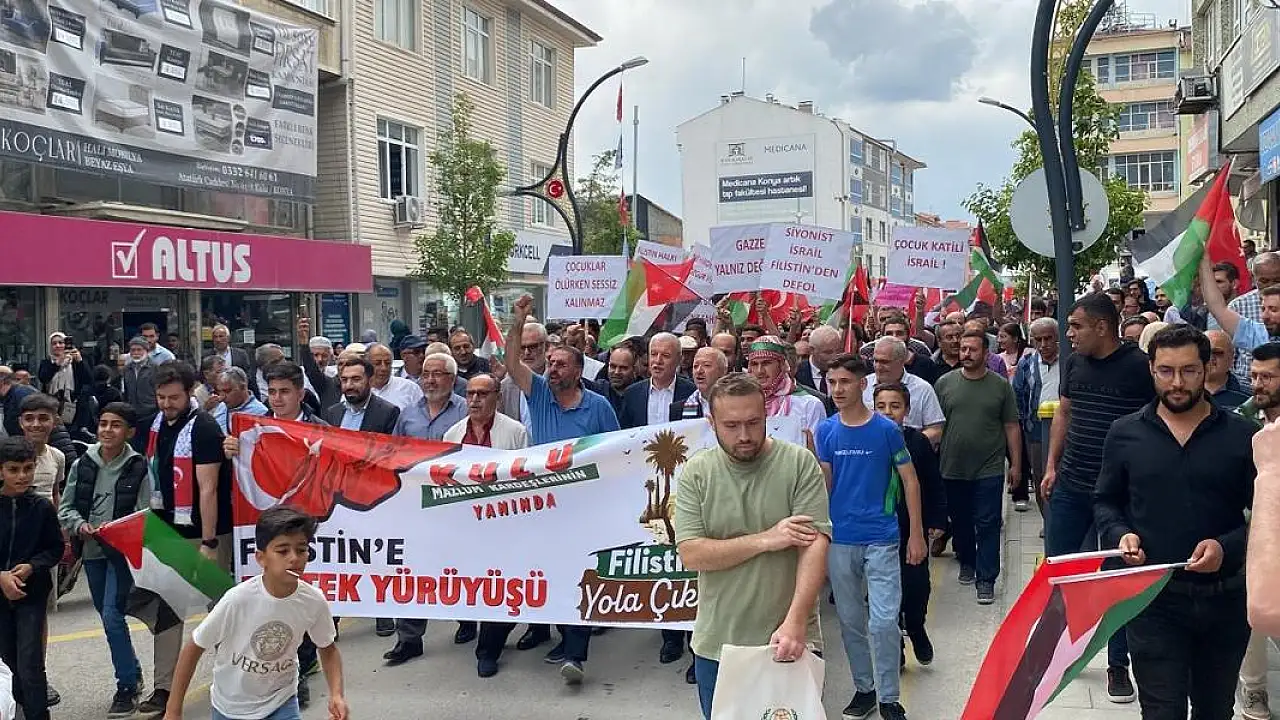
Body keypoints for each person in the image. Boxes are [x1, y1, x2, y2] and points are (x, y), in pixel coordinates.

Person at [1094, 325, 1257, 720]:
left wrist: (1226, 546)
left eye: (1189, 370)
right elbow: (1105, 502)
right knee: (1161, 711)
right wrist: (1120, 534)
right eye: (1166, 371)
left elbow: (1267, 519)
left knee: (1214, 710)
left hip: (1225, 602)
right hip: (1153, 600)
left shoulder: (1243, 436)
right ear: (1151, 369)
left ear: (1208, 368)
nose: (1177, 383)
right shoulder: (1124, 433)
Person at [675, 373, 830, 720]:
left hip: (788, 639)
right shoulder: (697, 473)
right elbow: (692, 553)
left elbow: (815, 545)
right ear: (712, 422)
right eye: (731, 425)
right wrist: (767, 539)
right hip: (718, 646)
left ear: (766, 416)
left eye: (753, 422)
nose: (744, 435)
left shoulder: (799, 463)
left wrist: (796, 621)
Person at [1041, 292, 1152, 702]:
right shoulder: (1074, 364)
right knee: (1061, 574)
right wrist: (1051, 466)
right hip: (1071, 486)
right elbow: (1065, 413)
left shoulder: (1140, 367)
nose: (1069, 334)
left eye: (1076, 326)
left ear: (1102, 327)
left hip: (1120, 497)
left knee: (1114, 579)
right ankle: (1059, 656)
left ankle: (1117, 664)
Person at [504, 295, 619, 685]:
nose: (551, 369)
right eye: (550, 363)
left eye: (560, 364)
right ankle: (559, 635)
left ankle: (575, 654)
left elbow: (616, 453)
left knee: (580, 575)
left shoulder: (599, 407)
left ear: (578, 370)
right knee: (551, 574)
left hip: (584, 510)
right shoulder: (538, 394)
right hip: (544, 506)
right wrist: (518, 321)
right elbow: (511, 363)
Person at [162, 505, 348, 720]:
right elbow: (194, 647)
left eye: (301, 550)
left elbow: (328, 648)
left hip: (281, 700)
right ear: (261, 558)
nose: (294, 558)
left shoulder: (313, 601)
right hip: (230, 707)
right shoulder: (238, 599)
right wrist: (173, 710)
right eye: (282, 551)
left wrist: (336, 694)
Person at [819, 355, 925, 720]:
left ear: (862, 384)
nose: (837, 389)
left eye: (845, 382)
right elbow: (824, 484)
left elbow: (910, 480)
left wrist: (916, 534)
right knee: (850, 621)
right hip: (840, 539)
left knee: (882, 621)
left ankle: (889, 698)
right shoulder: (825, 430)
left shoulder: (886, 430)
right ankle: (865, 689)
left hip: (882, 537)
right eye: (832, 382)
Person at [141, 361, 232, 716]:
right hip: (167, 531)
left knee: (219, 609)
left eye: (174, 397)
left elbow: (208, 489)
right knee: (167, 612)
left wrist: (209, 543)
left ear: (190, 392)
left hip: (204, 533)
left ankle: (233, 678)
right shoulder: (157, 424)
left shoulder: (203, 428)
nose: (166, 404)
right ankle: (163, 686)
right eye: (161, 397)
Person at [57, 402, 150, 717]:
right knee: (105, 613)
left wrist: (118, 530)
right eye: (104, 423)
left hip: (121, 555)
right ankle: (132, 669)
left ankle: (126, 686)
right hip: (92, 552)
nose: (108, 430)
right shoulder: (83, 462)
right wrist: (79, 525)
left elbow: (145, 512)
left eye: (116, 425)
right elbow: (67, 507)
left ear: (130, 432)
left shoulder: (138, 466)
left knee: (112, 615)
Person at [442, 374, 529, 678]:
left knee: (500, 583)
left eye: (482, 394)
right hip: (466, 526)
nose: (475, 400)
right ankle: (475, 625)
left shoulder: (515, 432)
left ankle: (488, 650)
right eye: (470, 394)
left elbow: (525, 478)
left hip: (504, 522)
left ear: (497, 397)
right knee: (473, 583)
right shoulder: (453, 434)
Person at [385, 351, 467, 663]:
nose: (430, 380)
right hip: (416, 505)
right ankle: (409, 638)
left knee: (460, 566)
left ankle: (467, 618)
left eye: (438, 374)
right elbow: (394, 455)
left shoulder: (466, 409)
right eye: (426, 374)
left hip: (457, 504)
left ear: (452, 379)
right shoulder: (407, 414)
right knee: (412, 569)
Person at [933, 330, 1021, 605]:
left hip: (989, 467)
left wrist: (1016, 464)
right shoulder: (944, 384)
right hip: (953, 466)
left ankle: (986, 579)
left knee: (987, 522)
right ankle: (967, 561)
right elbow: (935, 425)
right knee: (961, 521)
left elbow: (1011, 425)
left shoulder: (1000, 386)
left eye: (972, 349)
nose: (966, 354)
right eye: (963, 349)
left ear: (986, 353)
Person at [871, 383, 946, 670]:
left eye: (895, 406)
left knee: (916, 587)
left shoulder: (917, 442)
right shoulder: (868, 441)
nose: (888, 412)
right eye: (881, 406)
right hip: (878, 529)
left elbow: (932, 483)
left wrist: (936, 521)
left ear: (907, 410)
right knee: (884, 594)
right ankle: (896, 645)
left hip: (911, 527)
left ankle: (915, 627)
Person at [0, 437, 63, 720]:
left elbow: (55, 548)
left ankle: (38, 715)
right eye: (13, 469)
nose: (22, 476)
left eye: (28, 468)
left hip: (31, 595)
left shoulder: (42, 507)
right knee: (6, 663)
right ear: (1, 470)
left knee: (30, 663)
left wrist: (32, 566)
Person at [1012, 317, 1060, 520]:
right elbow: (1019, 395)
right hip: (1036, 432)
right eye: (1038, 340)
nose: (1043, 344)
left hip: (1067, 429)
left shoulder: (1070, 361)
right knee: (1041, 476)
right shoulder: (1026, 364)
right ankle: (1048, 521)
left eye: (1048, 338)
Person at [861, 338, 945, 445]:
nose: (878, 367)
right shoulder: (862, 386)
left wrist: (909, 445)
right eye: (875, 361)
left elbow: (936, 429)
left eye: (884, 362)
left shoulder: (922, 388)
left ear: (901, 361)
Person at [1213, 252, 1280, 384]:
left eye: (1277, 280)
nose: (1271, 285)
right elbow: (1227, 351)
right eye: (1264, 281)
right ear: (1253, 278)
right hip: (1246, 385)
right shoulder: (1239, 306)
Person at [745, 336, 827, 442]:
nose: (760, 371)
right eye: (754, 364)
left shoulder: (809, 405)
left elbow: (816, 449)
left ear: (782, 365)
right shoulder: (743, 404)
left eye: (766, 363)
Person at [619, 333, 695, 431]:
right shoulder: (632, 394)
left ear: (678, 360)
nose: (658, 361)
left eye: (666, 355)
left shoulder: (691, 393)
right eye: (654, 354)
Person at [322, 357, 400, 434]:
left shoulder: (388, 412)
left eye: (356, 379)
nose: (349, 385)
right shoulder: (333, 412)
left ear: (371, 381)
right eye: (344, 380)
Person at [37, 332, 91, 427]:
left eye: (61, 343)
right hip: (51, 404)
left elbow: (87, 379)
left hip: (73, 404)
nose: (57, 346)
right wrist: (57, 364)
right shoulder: (47, 362)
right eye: (54, 343)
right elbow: (43, 378)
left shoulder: (75, 362)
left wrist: (80, 362)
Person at [673, 347, 728, 421]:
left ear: (723, 371)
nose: (699, 371)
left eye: (706, 365)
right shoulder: (678, 409)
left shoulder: (737, 402)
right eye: (695, 366)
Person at [367, 343, 425, 411]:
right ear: (367, 365)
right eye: (377, 363)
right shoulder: (360, 390)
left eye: (387, 363)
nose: (384, 368)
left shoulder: (410, 389)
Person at [210, 367, 268, 433]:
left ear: (243, 387)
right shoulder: (221, 407)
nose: (221, 397)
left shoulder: (261, 413)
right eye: (219, 392)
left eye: (227, 391)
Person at [1204, 330, 1250, 408]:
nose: (1210, 358)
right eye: (1205, 352)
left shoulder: (1248, 393)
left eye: (1217, 353)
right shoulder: (1186, 389)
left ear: (1231, 356)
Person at [208, 325, 256, 397]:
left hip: (237, 394)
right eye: (215, 337)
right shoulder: (207, 356)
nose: (218, 340)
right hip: (215, 394)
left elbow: (248, 375)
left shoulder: (241, 354)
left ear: (228, 338)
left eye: (221, 336)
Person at [119, 337, 159, 421]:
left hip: (151, 413)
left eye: (139, 350)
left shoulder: (155, 368)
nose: (136, 353)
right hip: (132, 413)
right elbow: (126, 392)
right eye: (133, 350)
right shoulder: (127, 369)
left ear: (146, 351)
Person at [595, 345, 640, 416]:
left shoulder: (643, 394)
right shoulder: (598, 389)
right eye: (613, 366)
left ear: (634, 369)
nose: (617, 372)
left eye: (623, 368)